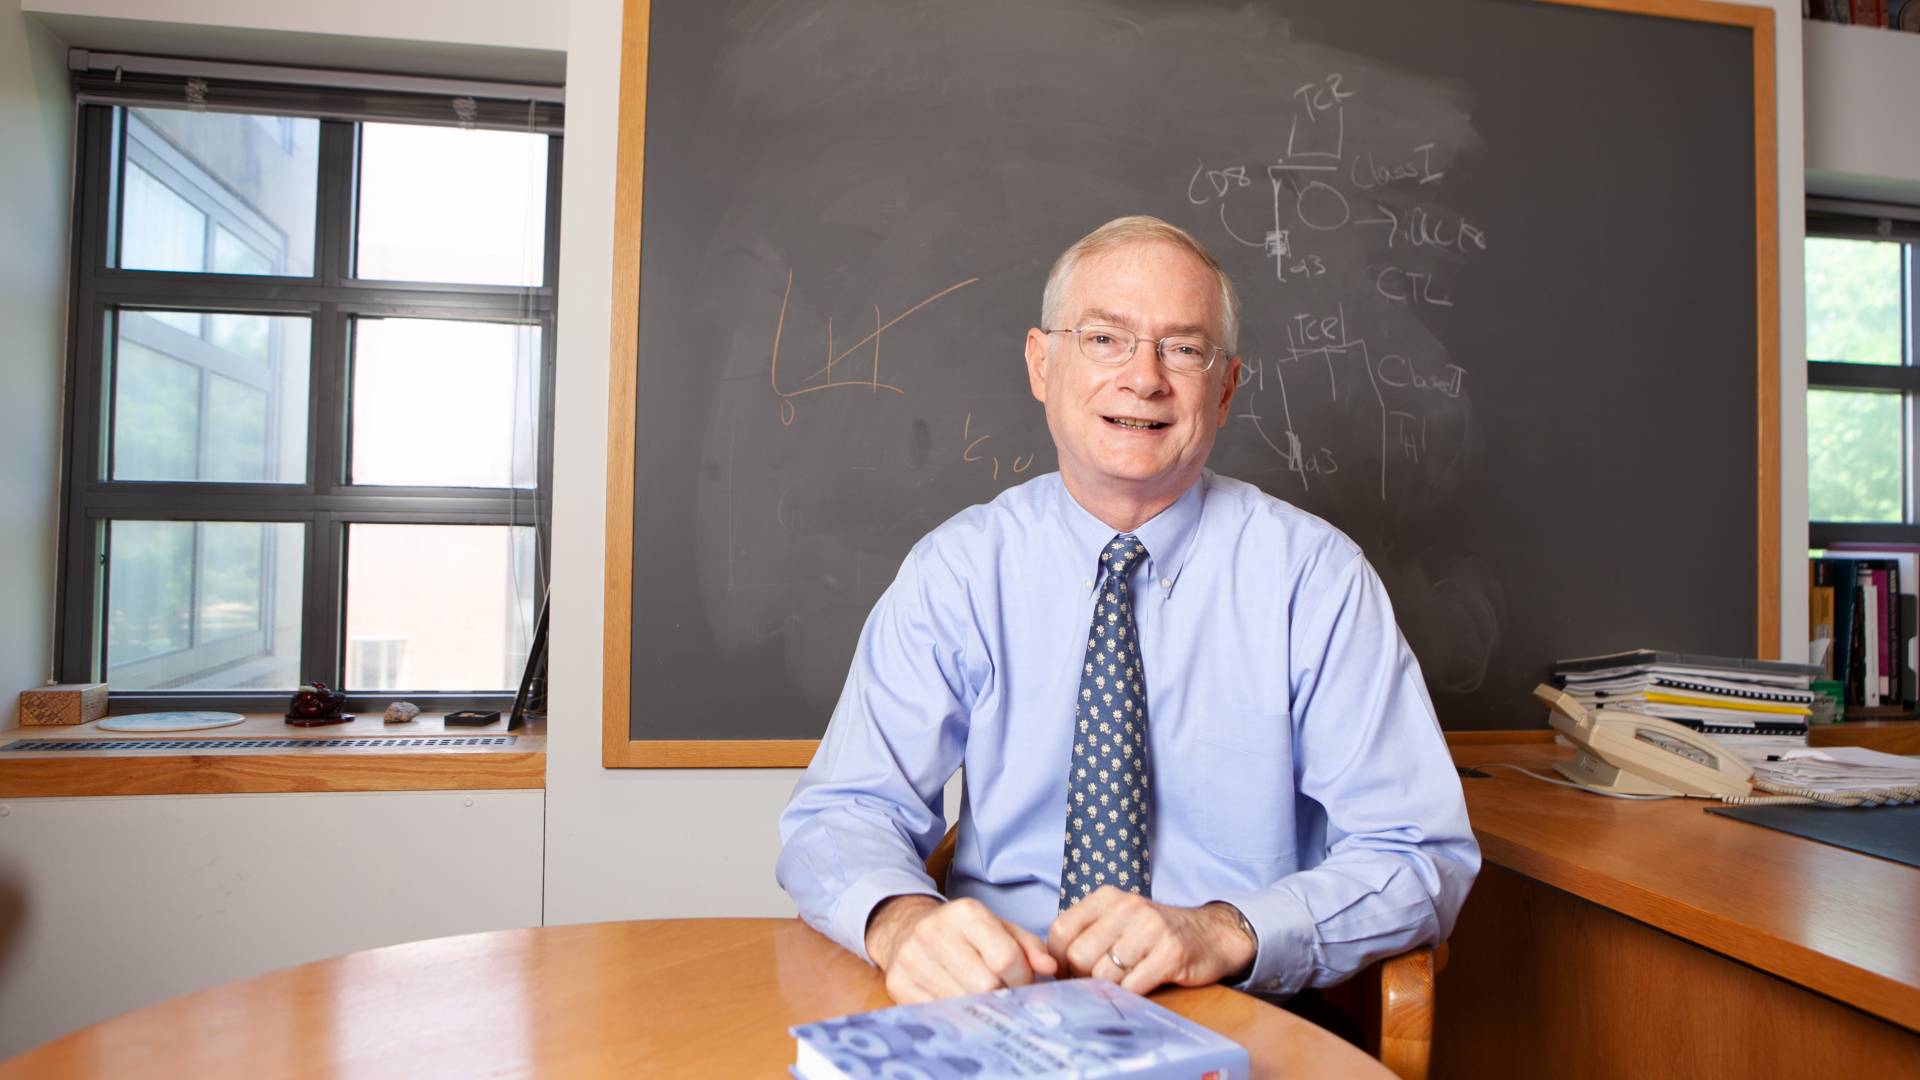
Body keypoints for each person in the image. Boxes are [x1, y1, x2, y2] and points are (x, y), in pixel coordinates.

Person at [776, 215, 1478, 1008]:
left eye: (1183, 348)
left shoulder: (1315, 580)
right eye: (1105, 339)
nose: (1144, 378)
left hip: (1235, 1011)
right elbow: (843, 811)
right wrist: (901, 923)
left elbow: (1420, 855)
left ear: (1226, 386)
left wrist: (1224, 930)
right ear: (1043, 363)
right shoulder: (960, 571)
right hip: (1000, 1006)